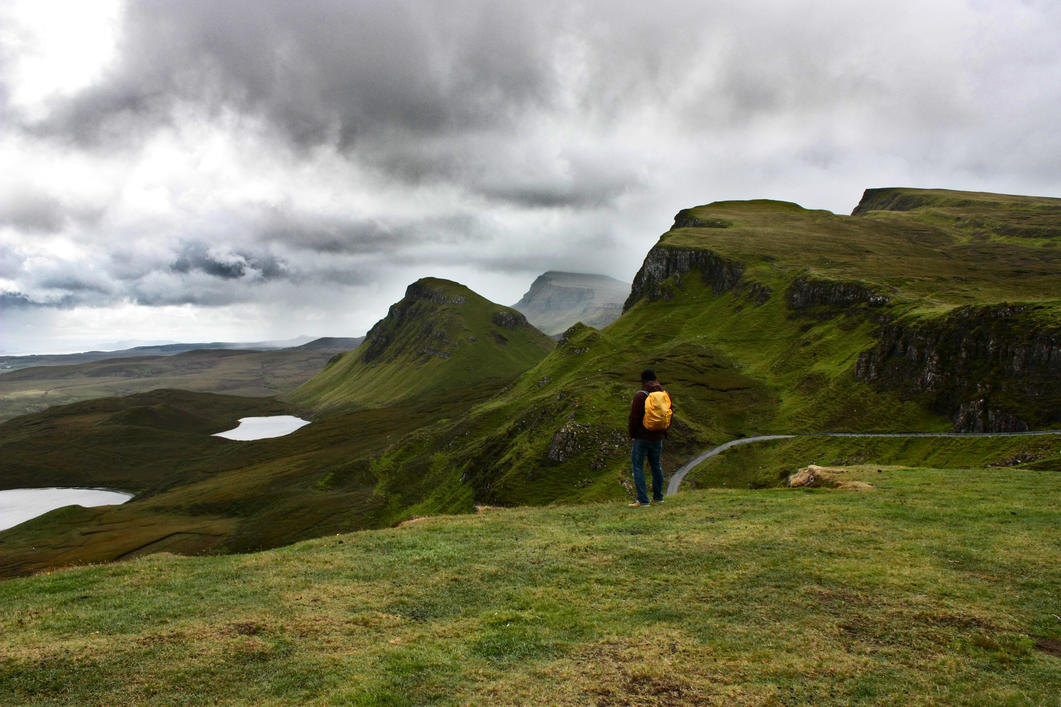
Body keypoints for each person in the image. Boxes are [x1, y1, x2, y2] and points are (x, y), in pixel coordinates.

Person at [627, 368, 670, 507]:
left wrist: (632, 434)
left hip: (642, 438)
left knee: (638, 467)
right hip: (658, 436)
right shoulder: (664, 394)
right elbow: (669, 413)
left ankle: (643, 500)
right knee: (656, 465)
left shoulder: (641, 395)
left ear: (643, 380)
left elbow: (634, 418)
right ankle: (658, 497)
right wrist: (663, 431)